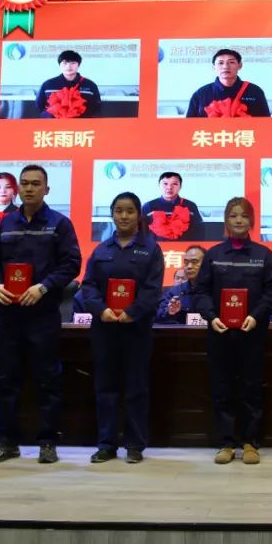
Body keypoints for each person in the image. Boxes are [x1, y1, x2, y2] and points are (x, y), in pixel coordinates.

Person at [0, 164, 82, 465]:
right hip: (10, 314)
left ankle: (48, 442)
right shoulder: (6, 223)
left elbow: (71, 264)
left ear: (46, 189)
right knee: (6, 379)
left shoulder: (59, 224)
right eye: (24, 183)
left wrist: (44, 287)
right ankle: (7, 442)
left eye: (35, 184)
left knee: (47, 379)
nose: (28, 188)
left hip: (43, 313)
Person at [195, 197, 272, 465]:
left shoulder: (263, 254)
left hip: (252, 333)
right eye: (233, 215)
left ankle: (250, 443)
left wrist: (256, 316)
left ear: (252, 221)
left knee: (251, 388)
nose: (238, 220)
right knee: (222, 387)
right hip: (220, 332)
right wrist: (211, 317)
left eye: (244, 216)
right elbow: (201, 292)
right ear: (226, 220)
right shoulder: (213, 255)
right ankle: (226, 443)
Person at [77, 192, 164, 464]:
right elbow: (88, 285)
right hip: (105, 329)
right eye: (118, 211)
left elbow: (153, 289)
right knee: (106, 387)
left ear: (138, 215)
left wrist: (132, 312)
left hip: (136, 329)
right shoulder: (101, 250)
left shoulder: (151, 249)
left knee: (136, 388)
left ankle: (135, 445)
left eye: (129, 211)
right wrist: (100, 309)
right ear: (112, 214)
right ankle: (107, 444)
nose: (124, 216)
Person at [186, 49, 271, 118]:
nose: (225, 66)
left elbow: (266, 123)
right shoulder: (201, 94)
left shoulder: (254, 91)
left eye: (231, 62)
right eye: (220, 63)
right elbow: (189, 126)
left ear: (240, 65)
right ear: (213, 67)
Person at [35, 49, 102, 119]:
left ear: (78, 65)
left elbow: (96, 107)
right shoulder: (48, 85)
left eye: (73, 63)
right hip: (54, 124)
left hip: (82, 124)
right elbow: (39, 105)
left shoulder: (90, 85)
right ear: (59, 65)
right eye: (65, 63)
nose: (69, 66)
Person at [142, 172, 206, 241]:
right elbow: (141, 232)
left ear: (180, 186)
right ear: (159, 185)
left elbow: (199, 231)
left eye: (174, 184)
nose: (169, 187)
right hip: (155, 247)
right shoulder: (148, 206)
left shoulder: (190, 206)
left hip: (184, 246)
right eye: (165, 184)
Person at [155, 246, 205, 324]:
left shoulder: (215, 289)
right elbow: (158, 316)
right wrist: (170, 312)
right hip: (181, 331)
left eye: (194, 262)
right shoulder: (174, 292)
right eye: (186, 262)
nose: (189, 266)